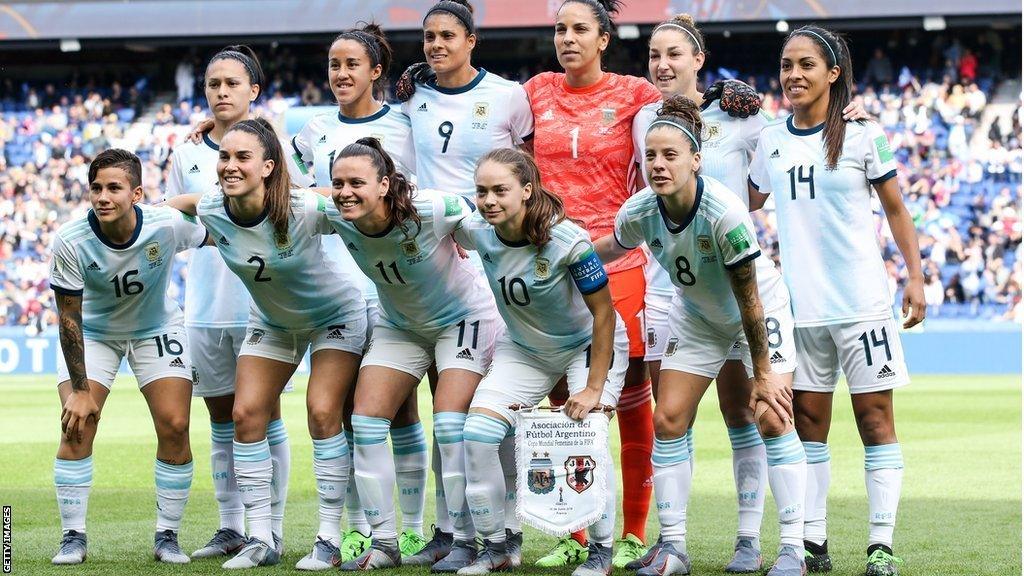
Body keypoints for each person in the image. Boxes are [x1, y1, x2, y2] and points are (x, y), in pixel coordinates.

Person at [629, 15, 867, 571]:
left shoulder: (741, 117)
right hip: (671, 293)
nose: (663, 64)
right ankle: (674, 544)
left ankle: (756, 540)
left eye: (674, 54)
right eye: (654, 55)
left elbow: (791, 147)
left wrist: (845, 113)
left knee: (752, 414)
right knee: (672, 419)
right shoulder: (642, 117)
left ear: (699, 59)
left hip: (741, 284)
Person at [597, 96, 807, 576]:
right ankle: (673, 548)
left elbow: (750, 300)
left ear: (696, 160)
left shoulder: (724, 211)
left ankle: (786, 547)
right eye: (651, 155)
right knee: (668, 419)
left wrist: (766, 373)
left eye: (671, 155)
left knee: (769, 415)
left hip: (756, 311)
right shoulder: (639, 210)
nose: (658, 164)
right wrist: (574, 259)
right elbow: (614, 245)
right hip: (698, 316)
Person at [747, 25, 926, 576]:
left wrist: (915, 278)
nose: (793, 75)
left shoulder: (863, 135)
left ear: (833, 74)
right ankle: (815, 543)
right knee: (808, 426)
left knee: (875, 422)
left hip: (863, 306)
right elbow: (746, 196)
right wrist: (727, 120)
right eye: (786, 65)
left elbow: (897, 209)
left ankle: (880, 547)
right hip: (801, 311)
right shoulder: (771, 140)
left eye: (806, 65)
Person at [165, 118, 369, 569]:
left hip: (335, 316)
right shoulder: (215, 207)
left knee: (321, 411)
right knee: (244, 413)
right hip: (273, 322)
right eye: (224, 157)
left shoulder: (303, 207)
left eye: (243, 158)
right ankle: (261, 538)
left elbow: (357, 204)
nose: (230, 166)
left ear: (269, 167)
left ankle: (330, 537)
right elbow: (179, 204)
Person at [522, 0, 661, 567]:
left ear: (604, 38)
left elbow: (679, 127)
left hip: (618, 264)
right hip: (550, 267)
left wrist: (726, 98)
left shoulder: (635, 94)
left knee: (625, 400)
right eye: (560, 28)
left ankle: (629, 532)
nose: (568, 38)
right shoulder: (533, 91)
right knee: (564, 402)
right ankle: (573, 533)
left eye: (581, 29)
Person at [320, 138, 501, 571]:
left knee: (450, 424)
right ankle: (384, 542)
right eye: (338, 183)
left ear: (384, 185)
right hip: (400, 325)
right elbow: (283, 198)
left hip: (462, 319)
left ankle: (462, 538)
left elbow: (487, 218)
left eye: (356, 183)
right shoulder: (333, 213)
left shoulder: (432, 208)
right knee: (364, 423)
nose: (344, 192)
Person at [395, 1, 534, 565]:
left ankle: (504, 530)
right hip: (433, 269)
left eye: (447, 35)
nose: (435, 45)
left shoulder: (508, 96)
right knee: (446, 411)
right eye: (428, 36)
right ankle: (452, 528)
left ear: (471, 40)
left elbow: (529, 172)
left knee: (486, 413)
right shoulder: (412, 99)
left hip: (493, 267)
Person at [289, 24, 427, 566]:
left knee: (403, 412)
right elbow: (292, 192)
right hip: (337, 288)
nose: (340, 75)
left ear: (376, 72)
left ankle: (411, 530)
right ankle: (352, 530)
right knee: (345, 412)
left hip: (397, 287)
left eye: (352, 65)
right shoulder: (313, 131)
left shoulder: (405, 125)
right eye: (333, 65)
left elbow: (413, 196)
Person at [457, 147, 629, 576]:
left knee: (588, 435)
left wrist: (591, 388)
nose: (490, 200)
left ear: (527, 191)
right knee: (478, 434)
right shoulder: (478, 230)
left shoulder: (567, 239)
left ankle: (602, 552)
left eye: (501, 190)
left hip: (586, 343)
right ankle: (498, 545)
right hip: (526, 349)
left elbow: (604, 313)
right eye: (482, 192)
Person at [165, 45, 295, 563]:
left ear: (253, 92)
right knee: (220, 419)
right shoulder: (187, 151)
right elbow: (177, 229)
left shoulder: (276, 147)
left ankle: (273, 527)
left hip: (260, 304)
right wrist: (215, 233)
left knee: (262, 415)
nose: (221, 92)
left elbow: (287, 216)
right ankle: (230, 526)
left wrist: (227, 231)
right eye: (213, 84)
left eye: (231, 84)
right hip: (203, 302)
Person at [49, 149, 208, 565]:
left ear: (136, 193)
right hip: (94, 334)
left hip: (156, 328)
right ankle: (72, 536)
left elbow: (216, 222)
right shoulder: (70, 239)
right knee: (77, 424)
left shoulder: (166, 224)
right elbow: (69, 319)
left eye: (114, 188)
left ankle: (168, 536)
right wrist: (81, 391)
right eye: (96, 188)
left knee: (175, 424)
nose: (103, 196)